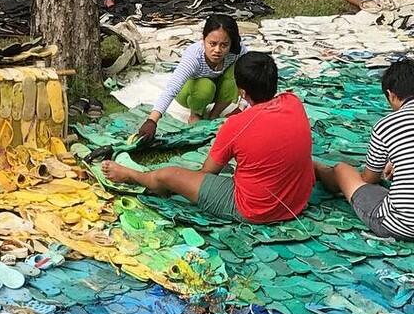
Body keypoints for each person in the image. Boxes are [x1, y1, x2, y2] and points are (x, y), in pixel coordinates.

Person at [103, 51, 314, 224]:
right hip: (297, 200)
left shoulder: (236, 125)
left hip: (254, 209)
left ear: (241, 92)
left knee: (169, 175)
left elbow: (208, 172)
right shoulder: (292, 102)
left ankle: (131, 175)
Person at [314, 59, 414, 240]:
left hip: (402, 224)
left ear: (391, 95)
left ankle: (318, 170)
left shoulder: (387, 124)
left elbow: (370, 179)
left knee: (343, 170)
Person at [136, 14, 247, 141]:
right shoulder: (194, 57)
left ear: (231, 43)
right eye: (212, 44)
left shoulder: (237, 52)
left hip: (218, 88)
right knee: (206, 86)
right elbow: (172, 88)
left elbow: (250, 76)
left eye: (224, 45)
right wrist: (152, 120)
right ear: (203, 40)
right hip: (191, 91)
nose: (217, 50)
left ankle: (214, 115)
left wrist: (242, 107)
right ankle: (195, 114)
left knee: (239, 71)